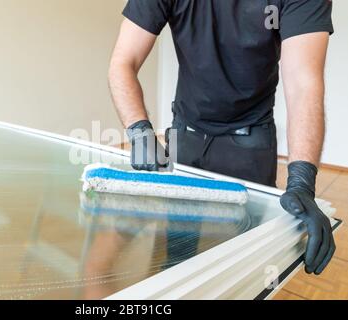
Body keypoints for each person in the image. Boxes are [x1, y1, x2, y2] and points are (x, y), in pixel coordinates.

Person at [108, 0, 335, 275]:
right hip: (187, 132)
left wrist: (302, 180)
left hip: (251, 138)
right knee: (177, 251)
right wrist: (139, 130)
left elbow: (303, 83)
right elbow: (123, 61)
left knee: (251, 255)